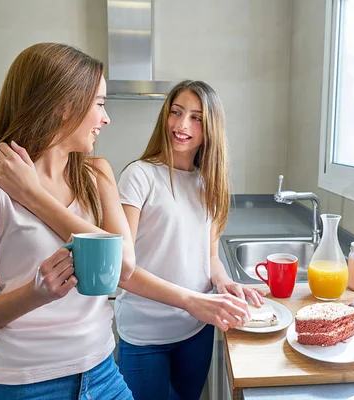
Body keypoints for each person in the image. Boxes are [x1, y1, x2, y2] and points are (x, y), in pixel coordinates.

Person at [0, 43, 250, 400]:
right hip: (24, 382)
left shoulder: (98, 175)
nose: (106, 118)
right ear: (62, 104)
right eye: (100, 104)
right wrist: (34, 294)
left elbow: (122, 264)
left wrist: (33, 195)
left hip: (101, 372)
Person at [115, 80, 266, 400]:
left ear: (210, 127)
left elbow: (210, 258)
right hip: (145, 335)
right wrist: (192, 301)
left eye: (196, 117)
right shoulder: (138, 176)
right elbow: (120, 270)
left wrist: (225, 282)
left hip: (195, 330)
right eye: (176, 112)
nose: (182, 125)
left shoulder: (207, 183)